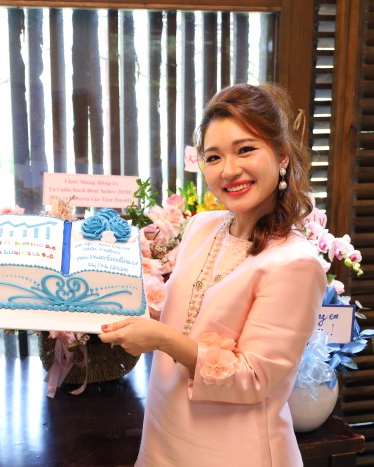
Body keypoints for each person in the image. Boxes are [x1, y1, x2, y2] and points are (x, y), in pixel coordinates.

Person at [99, 83, 327, 466]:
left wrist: (160, 339)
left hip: (234, 450)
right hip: (164, 434)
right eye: (214, 157)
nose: (229, 169)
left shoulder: (295, 263)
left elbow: (253, 378)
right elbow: (186, 317)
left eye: (245, 149)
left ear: (282, 156)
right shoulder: (202, 227)